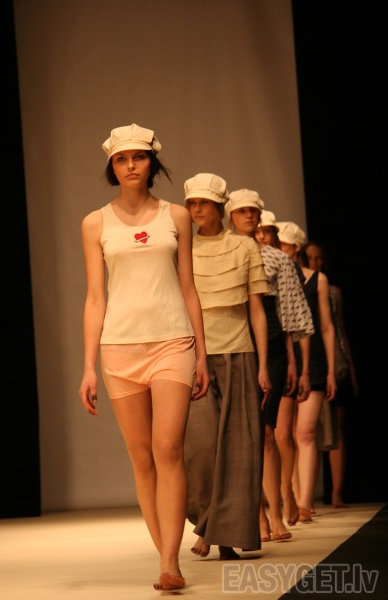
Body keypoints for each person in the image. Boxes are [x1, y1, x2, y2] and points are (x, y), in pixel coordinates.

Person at [78, 123, 209, 592]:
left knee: (168, 449)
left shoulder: (177, 216)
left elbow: (188, 287)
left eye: (138, 156)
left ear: (152, 161)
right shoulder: (95, 223)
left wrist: (202, 355)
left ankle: (170, 562)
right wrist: (88, 366)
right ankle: (165, 556)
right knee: (141, 458)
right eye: (121, 158)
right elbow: (95, 297)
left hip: (173, 341)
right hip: (119, 347)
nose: (130, 165)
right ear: (112, 167)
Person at [183, 174, 271, 560]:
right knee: (200, 449)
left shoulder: (244, 246)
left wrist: (263, 365)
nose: (196, 209)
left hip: (239, 352)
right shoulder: (182, 248)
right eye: (191, 203)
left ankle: (220, 537)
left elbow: (256, 308)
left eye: (203, 202)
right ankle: (208, 524)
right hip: (195, 355)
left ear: (219, 206)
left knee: (240, 449)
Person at [226, 195, 314, 542]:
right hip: (234, 340)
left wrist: (294, 363)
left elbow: (290, 311)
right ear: (230, 215)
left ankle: (275, 513)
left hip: (274, 345)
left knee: (266, 430)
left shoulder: (277, 258)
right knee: (241, 435)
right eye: (242, 210)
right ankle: (257, 514)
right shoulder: (223, 252)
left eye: (254, 211)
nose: (249, 216)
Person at [277, 221, 337, 523]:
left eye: (284, 245)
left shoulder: (317, 279)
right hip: (285, 359)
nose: (279, 249)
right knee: (285, 434)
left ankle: (304, 501)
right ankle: (294, 498)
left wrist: (331, 371)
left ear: (295, 247)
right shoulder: (274, 275)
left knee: (305, 431)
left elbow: (326, 327)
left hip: (312, 361)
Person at [301, 241, 358, 508]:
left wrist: (349, 368)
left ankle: (336, 492)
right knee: (307, 430)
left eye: (319, 258)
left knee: (336, 427)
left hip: (334, 360)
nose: (315, 262)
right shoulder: (301, 284)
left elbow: (338, 328)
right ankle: (306, 496)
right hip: (311, 358)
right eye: (310, 257)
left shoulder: (332, 290)